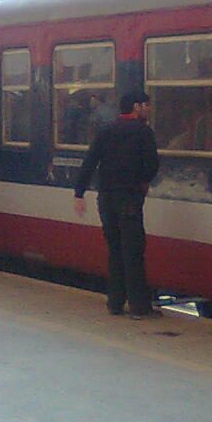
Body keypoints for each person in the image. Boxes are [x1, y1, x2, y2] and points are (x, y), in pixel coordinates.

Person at [73, 91, 160, 318]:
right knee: (133, 251)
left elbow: (90, 161)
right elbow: (152, 164)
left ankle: (115, 303)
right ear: (136, 107)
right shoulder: (143, 132)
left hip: (106, 199)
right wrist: (143, 182)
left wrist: (79, 193)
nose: (149, 109)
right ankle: (139, 307)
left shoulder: (106, 130)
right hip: (128, 198)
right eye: (146, 105)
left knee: (115, 250)